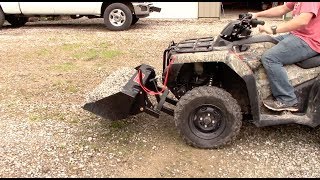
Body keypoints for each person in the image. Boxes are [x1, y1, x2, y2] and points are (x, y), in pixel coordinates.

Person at [250, 2, 320, 112]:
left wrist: (273, 29)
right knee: (264, 42)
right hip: (296, 35)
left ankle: (287, 99)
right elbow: (283, 9)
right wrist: (257, 14)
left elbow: (303, 20)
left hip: (310, 40)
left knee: (270, 58)